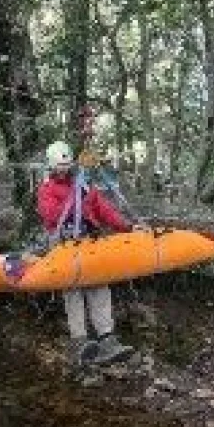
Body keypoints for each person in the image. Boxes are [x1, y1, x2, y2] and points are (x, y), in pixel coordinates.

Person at [36, 140, 137, 369]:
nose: (64, 169)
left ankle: (107, 339)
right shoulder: (46, 189)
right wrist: (75, 202)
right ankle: (79, 341)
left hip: (89, 242)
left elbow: (104, 210)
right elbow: (50, 215)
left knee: (100, 287)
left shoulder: (83, 184)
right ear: (52, 166)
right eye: (59, 165)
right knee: (73, 291)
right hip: (65, 245)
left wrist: (127, 226)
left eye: (66, 164)